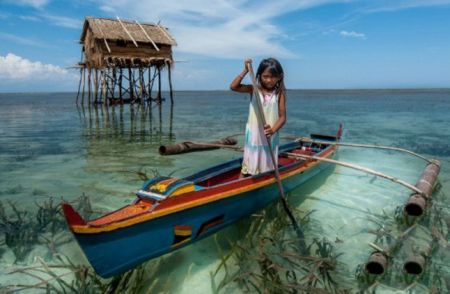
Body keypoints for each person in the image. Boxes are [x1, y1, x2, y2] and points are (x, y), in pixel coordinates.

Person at [230, 58, 286, 177]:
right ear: (260, 76)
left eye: (273, 77)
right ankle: (244, 178)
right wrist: (245, 70)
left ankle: (265, 177)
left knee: (267, 163)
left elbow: (282, 118)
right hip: (255, 133)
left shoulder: (279, 93)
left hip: (270, 134)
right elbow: (233, 87)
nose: (269, 80)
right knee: (249, 162)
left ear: (279, 77)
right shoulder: (254, 89)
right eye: (265, 76)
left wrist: (273, 130)